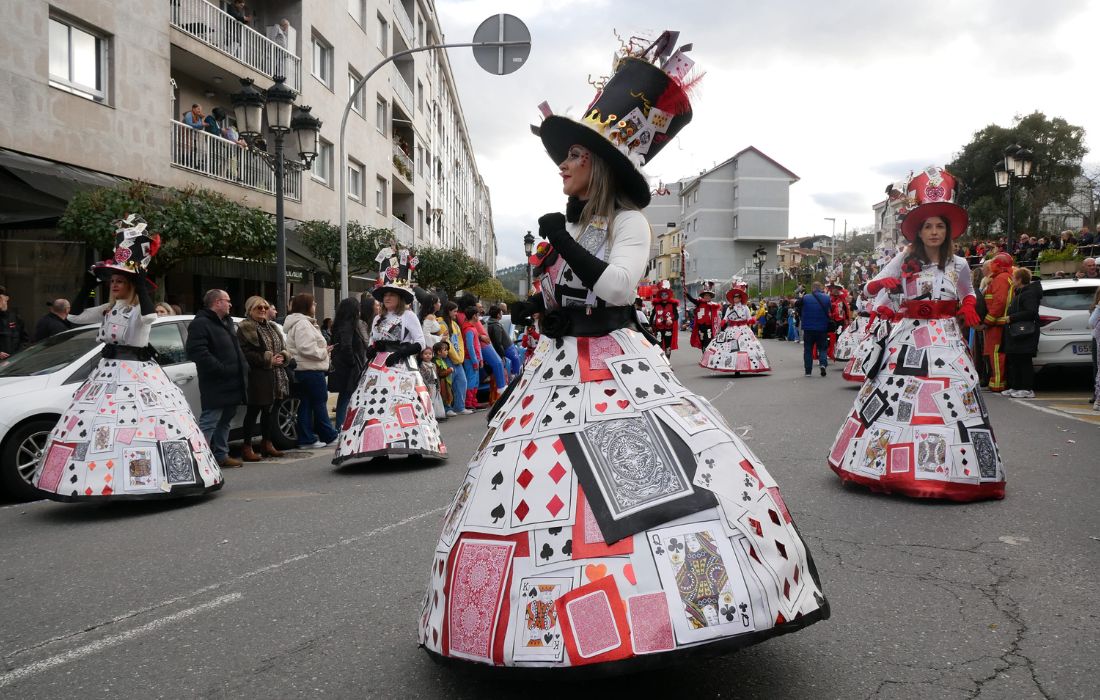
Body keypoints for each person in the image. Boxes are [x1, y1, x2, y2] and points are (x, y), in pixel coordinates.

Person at [420, 48, 827, 671]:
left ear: (599, 165)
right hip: (555, 369)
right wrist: (538, 308)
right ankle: (545, 613)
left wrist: (559, 241)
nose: (561, 166)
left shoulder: (629, 224)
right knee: (551, 491)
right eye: (563, 157)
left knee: (633, 479)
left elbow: (615, 290)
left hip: (613, 364)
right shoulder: (582, 229)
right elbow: (566, 295)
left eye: (573, 156)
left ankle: (658, 608)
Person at [827, 166, 1004, 501]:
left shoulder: (961, 264)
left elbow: (967, 291)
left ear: (948, 230)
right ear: (918, 232)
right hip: (909, 338)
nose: (934, 232)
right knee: (898, 399)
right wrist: (882, 283)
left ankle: (951, 472)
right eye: (927, 226)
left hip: (948, 341)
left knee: (954, 401)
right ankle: (887, 465)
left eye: (939, 226)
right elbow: (868, 288)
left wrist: (968, 306)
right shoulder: (905, 258)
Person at [34, 214, 223, 500]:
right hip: (106, 375)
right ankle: (99, 482)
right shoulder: (109, 309)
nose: (114, 284)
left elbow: (148, 316)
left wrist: (140, 279)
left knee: (144, 426)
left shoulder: (138, 310)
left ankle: (151, 480)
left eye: (120, 280)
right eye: (112, 280)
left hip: (138, 374)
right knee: (101, 430)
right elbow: (73, 317)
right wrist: (87, 285)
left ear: (131, 284)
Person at [333, 252, 446, 465]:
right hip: (378, 368)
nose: (387, 298)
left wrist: (401, 353)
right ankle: (378, 449)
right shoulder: (378, 317)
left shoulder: (409, 316)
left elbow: (420, 341)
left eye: (391, 295)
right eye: (385, 295)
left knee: (406, 405)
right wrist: (372, 350)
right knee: (377, 407)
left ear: (400, 298)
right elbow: (373, 341)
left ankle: (414, 448)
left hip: (402, 366)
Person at [186, 288, 249, 468]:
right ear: (217, 302)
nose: (230, 304)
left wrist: (243, 367)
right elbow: (197, 351)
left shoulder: (226, 322)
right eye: (227, 300)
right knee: (210, 420)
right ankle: (201, 458)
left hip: (233, 381)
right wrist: (221, 369)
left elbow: (236, 349)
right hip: (216, 382)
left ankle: (221, 454)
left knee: (226, 420)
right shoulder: (201, 323)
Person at [236, 296, 291, 461]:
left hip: (275, 375)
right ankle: (247, 447)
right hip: (257, 376)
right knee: (253, 412)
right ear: (250, 310)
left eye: (265, 308)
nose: (262, 310)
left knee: (269, 411)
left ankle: (267, 444)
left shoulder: (273, 327)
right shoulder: (245, 328)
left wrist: (283, 356)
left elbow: (284, 347)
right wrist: (268, 359)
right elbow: (245, 353)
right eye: (258, 308)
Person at [283, 293, 339, 449]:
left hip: (303, 369)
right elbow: (306, 347)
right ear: (306, 306)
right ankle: (329, 435)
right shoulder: (303, 323)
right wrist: (324, 351)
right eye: (313, 303)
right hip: (311, 369)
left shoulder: (299, 322)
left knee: (306, 405)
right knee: (319, 403)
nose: (315, 306)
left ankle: (307, 438)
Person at [701, 285, 771, 374]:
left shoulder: (745, 307)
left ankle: (742, 366)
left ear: (740, 298)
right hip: (732, 329)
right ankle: (734, 366)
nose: (735, 299)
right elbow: (726, 318)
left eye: (737, 297)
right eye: (734, 297)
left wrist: (752, 320)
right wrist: (722, 322)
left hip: (743, 330)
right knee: (732, 348)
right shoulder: (730, 308)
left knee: (744, 347)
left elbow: (749, 318)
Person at [328, 296, 370, 430]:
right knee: (346, 397)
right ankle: (342, 427)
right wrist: (353, 362)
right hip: (348, 368)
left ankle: (344, 426)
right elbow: (347, 346)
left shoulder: (340, 324)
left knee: (345, 397)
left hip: (344, 366)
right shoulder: (348, 325)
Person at [1001, 268, 1043, 398]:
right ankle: (1016, 386)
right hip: (1016, 333)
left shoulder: (1029, 293)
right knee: (1015, 360)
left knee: (1024, 361)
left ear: (1019, 279)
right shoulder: (1019, 292)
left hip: (1025, 333)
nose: (1012, 280)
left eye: (1014, 278)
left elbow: (1031, 312)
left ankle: (1027, 388)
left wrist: (1012, 318)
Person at [981, 252, 1014, 393]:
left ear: (999, 265)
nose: (991, 266)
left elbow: (999, 302)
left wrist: (988, 320)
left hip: (997, 324)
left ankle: (998, 383)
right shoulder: (1005, 277)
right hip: (999, 323)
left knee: (996, 354)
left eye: (994, 263)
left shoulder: (1000, 279)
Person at [438, 301, 470, 416]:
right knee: (447, 385)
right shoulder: (441, 323)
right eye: (454, 311)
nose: (456, 314)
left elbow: (460, 341)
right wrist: (457, 357)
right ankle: (447, 408)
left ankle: (459, 407)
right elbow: (446, 343)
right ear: (448, 311)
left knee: (462, 382)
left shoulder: (455, 324)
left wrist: (460, 356)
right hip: (447, 359)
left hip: (457, 360)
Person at [794, 282, 831, 376]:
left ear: (812, 288)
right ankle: (822, 364)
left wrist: (800, 297)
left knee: (808, 349)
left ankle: (808, 371)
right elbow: (829, 309)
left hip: (808, 328)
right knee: (822, 348)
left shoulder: (806, 297)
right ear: (821, 288)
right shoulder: (827, 298)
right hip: (822, 328)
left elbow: (797, 304)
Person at [687, 282, 721, 354]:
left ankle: (707, 355)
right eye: (705, 295)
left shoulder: (713, 305)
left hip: (709, 326)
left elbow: (716, 318)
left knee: (708, 340)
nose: (707, 297)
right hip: (701, 326)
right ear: (703, 296)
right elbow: (692, 300)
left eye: (708, 296)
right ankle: (704, 354)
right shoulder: (699, 303)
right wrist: (687, 294)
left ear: (711, 297)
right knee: (702, 340)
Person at [649, 282, 680, 358]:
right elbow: (652, 316)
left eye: (665, 294)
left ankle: (668, 361)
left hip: (668, 328)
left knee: (667, 345)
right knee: (658, 344)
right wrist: (650, 325)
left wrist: (671, 320)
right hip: (659, 328)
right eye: (662, 294)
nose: (664, 296)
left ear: (668, 295)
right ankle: (660, 360)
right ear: (660, 295)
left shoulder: (672, 305)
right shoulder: (657, 305)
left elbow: (676, 315)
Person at [0, 286, 28, 360]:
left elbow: (25, 339)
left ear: (6, 298)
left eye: (0, 297)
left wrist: (18, 355)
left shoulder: (15, 317)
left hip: (14, 363)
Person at [419, 346, 445, 420]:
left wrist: (439, 386)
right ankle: (430, 416)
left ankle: (437, 415)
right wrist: (427, 387)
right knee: (429, 401)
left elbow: (436, 376)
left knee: (435, 401)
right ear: (421, 355)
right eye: (425, 354)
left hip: (434, 385)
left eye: (430, 354)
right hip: (427, 386)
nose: (428, 355)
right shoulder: (421, 365)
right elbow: (422, 377)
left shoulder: (433, 365)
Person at [433, 341, 454, 414]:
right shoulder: (436, 361)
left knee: (448, 394)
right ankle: (447, 410)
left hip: (445, 382)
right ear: (439, 352)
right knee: (444, 396)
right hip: (441, 383)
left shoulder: (441, 360)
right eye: (445, 350)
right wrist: (450, 370)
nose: (447, 351)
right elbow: (441, 373)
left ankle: (448, 408)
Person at [1088, 287, 1100, 410]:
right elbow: (1091, 323)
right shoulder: (1096, 308)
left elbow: (1091, 323)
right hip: (1098, 339)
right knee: (1098, 369)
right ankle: (1097, 396)